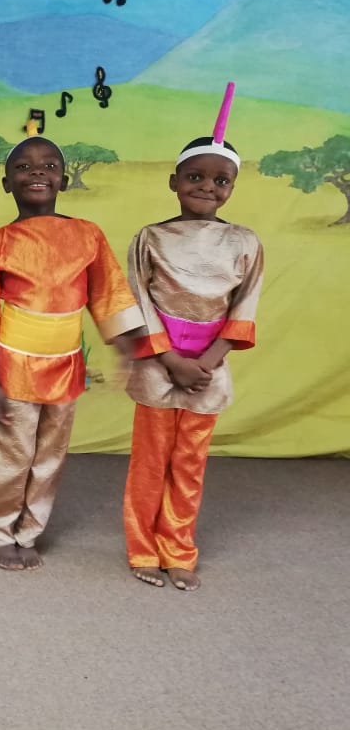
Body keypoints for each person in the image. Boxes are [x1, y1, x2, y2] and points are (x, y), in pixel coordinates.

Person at [0, 135, 144, 571]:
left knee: (49, 456)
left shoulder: (87, 235)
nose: (37, 172)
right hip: (13, 369)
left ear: (63, 179)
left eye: (49, 165)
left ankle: (30, 531)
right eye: (23, 166)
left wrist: (128, 349)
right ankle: (1, 533)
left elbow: (108, 293)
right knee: (13, 457)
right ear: (6, 183)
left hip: (65, 367)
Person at [123, 84, 264, 591]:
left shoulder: (244, 242)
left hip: (208, 369)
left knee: (189, 464)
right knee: (149, 463)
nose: (207, 186)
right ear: (174, 181)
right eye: (196, 176)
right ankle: (143, 548)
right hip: (159, 366)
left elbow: (244, 306)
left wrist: (207, 361)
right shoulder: (150, 238)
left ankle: (178, 549)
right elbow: (137, 302)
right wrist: (170, 360)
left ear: (233, 187)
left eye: (220, 180)